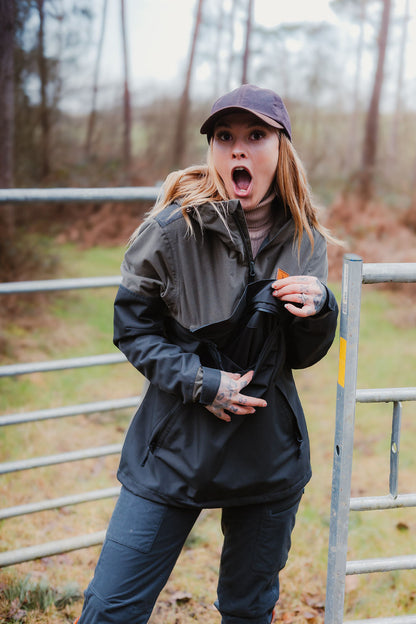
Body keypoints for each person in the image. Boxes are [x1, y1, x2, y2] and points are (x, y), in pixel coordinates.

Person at [76, 84, 339, 624]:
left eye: (255, 135)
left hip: (266, 452)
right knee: (111, 610)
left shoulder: (306, 239)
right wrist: (203, 382)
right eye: (224, 137)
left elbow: (302, 355)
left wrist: (321, 308)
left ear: (281, 147)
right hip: (176, 444)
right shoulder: (173, 230)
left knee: (249, 610)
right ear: (212, 149)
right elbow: (133, 330)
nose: (237, 150)